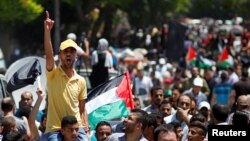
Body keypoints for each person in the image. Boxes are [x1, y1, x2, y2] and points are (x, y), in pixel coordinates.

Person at [43, 11, 88, 140]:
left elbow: (82, 108)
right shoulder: (53, 74)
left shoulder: (80, 80)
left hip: (76, 128)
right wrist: (47, 31)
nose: (68, 54)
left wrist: (85, 125)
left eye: (72, 51)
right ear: (60, 55)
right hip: (55, 129)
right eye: (65, 51)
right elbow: (49, 54)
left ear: (76, 57)